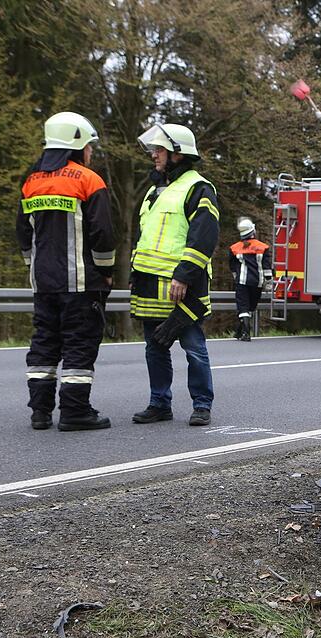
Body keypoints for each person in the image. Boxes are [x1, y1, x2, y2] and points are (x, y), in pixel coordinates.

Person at [16, 112, 115, 431]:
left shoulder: (31, 182)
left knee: (44, 344)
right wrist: (106, 271)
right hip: (81, 284)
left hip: (43, 284)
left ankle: (40, 413)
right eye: (88, 146)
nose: (90, 153)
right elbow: (103, 234)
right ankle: (75, 412)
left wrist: (33, 268)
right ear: (75, 146)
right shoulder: (89, 180)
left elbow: (23, 234)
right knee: (79, 344)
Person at [130, 123, 219, 427]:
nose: (154, 155)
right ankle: (159, 404)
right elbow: (146, 237)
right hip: (150, 285)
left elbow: (203, 239)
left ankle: (202, 405)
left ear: (178, 154)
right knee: (155, 346)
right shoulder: (154, 191)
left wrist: (183, 276)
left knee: (193, 348)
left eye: (160, 150)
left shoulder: (199, 188)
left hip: (182, 287)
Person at [229, 217, 272, 341]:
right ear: (253, 231)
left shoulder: (234, 248)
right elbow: (266, 267)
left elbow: (232, 266)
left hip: (242, 282)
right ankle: (240, 331)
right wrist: (268, 282)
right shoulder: (263, 247)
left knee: (243, 307)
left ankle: (245, 333)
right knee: (250, 308)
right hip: (257, 283)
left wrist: (236, 277)